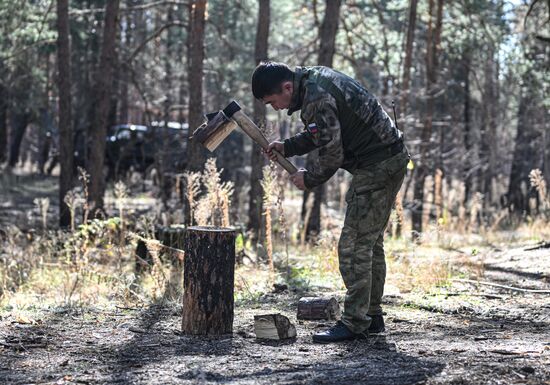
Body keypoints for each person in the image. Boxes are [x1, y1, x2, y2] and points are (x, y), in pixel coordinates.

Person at [252, 61, 410, 343]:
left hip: (378, 165)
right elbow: (321, 132)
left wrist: (309, 178)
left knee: (354, 246)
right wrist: (287, 146)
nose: (275, 108)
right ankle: (370, 317)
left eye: (273, 102)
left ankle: (355, 324)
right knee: (369, 244)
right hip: (388, 160)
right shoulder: (313, 81)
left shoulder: (316, 97)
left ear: (287, 87)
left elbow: (332, 154)